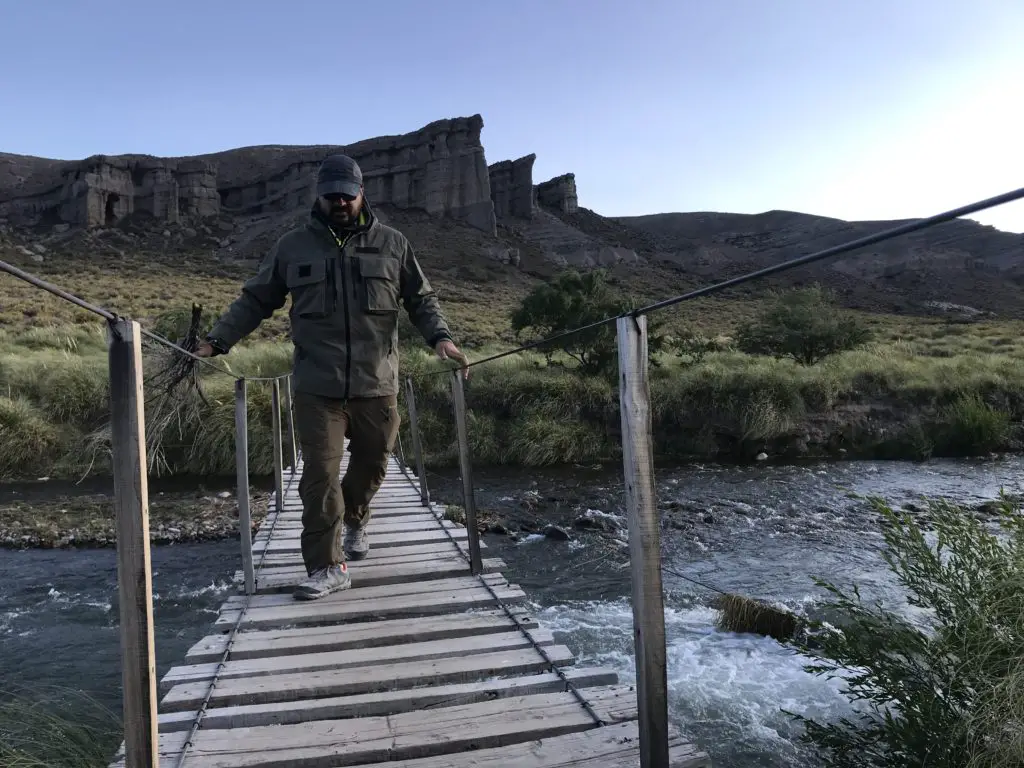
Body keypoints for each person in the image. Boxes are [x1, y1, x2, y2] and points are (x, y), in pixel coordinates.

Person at [195, 154, 468, 601]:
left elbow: (421, 299)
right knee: (319, 477)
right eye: (331, 195)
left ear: (362, 193)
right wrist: (216, 341)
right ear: (318, 197)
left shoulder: (394, 244)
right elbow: (255, 300)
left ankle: (357, 513)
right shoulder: (292, 246)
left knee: (374, 463)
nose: (340, 202)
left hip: (376, 382)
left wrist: (441, 338)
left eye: (347, 194)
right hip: (316, 387)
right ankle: (327, 564)